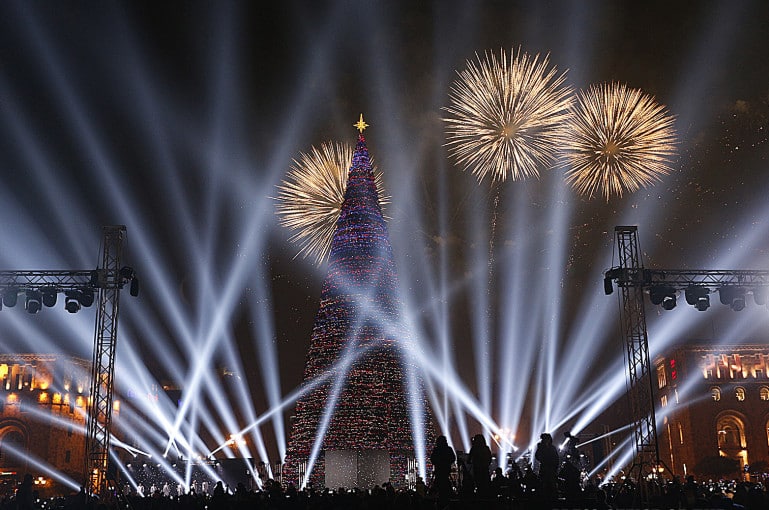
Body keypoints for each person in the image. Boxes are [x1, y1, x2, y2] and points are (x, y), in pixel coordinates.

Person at [430, 435, 456, 505]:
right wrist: (446, 462)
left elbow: (432, 459)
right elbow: (453, 458)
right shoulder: (448, 449)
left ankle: (436, 499)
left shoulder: (436, 450)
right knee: (445, 483)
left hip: (439, 470)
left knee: (438, 484)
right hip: (446, 470)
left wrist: (438, 462)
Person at [535, 433, 559, 497]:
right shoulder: (541, 447)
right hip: (545, 469)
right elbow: (537, 456)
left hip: (551, 469)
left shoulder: (552, 448)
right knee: (544, 485)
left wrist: (555, 468)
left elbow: (556, 459)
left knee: (551, 485)